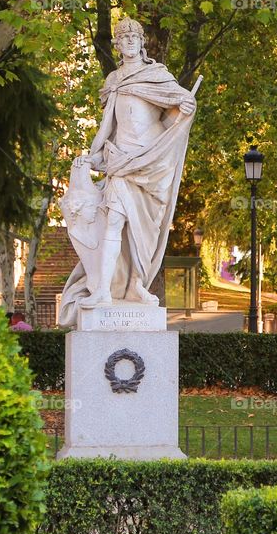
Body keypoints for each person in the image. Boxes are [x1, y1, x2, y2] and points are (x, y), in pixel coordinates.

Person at [57, 16, 199, 324]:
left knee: (143, 231)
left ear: (142, 42)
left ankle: (137, 284)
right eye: (125, 38)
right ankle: (103, 291)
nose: (130, 41)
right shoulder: (114, 80)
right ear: (118, 45)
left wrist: (184, 110)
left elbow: (172, 117)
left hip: (151, 164)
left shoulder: (158, 75)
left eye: (135, 37)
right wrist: (93, 158)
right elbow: (108, 127)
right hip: (120, 160)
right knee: (114, 223)